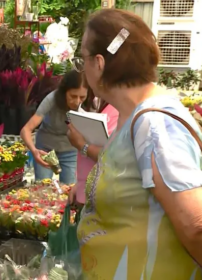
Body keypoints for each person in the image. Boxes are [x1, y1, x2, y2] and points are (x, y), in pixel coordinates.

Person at [67, 9, 202, 279]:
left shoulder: (155, 124)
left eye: (81, 59)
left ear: (99, 63)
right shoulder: (133, 117)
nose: (82, 69)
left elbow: (196, 225)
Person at [20, 70, 88, 184]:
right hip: (45, 149)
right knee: (42, 187)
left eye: (82, 97)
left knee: (69, 189)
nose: (77, 102)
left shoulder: (91, 104)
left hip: (70, 150)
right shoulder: (51, 99)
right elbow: (26, 130)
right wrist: (34, 151)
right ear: (64, 92)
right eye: (73, 96)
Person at [68, 91, 119, 205]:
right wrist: (80, 185)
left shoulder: (119, 111)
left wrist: (82, 145)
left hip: (103, 198)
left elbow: (112, 158)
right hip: (90, 190)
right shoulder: (105, 105)